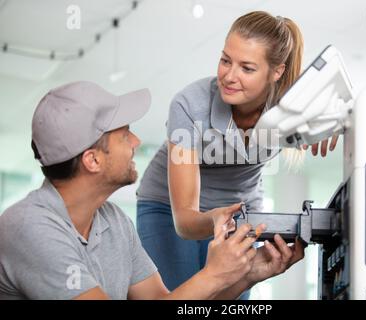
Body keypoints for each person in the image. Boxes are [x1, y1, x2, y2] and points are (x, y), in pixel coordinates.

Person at [0, 81, 303, 300]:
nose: (135, 142)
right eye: (123, 135)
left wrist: (244, 275)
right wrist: (214, 274)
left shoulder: (113, 221)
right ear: (92, 160)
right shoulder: (30, 228)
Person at [136, 11, 338, 298]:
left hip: (238, 212)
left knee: (230, 297)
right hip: (168, 208)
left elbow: (339, 109)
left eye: (247, 68)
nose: (229, 76)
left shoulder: (290, 108)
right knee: (181, 296)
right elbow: (185, 221)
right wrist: (217, 220)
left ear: (276, 72)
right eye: (225, 60)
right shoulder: (190, 105)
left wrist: (329, 126)